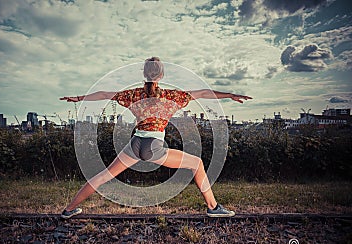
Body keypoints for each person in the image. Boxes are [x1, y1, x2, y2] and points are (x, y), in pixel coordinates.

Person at [59, 57, 252, 219]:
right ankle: (213, 207)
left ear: (144, 74)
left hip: (135, 144)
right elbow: (202, 93)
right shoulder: (172, 96)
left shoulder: (133, 95)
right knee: (197, 164)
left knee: (103, 176)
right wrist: (229, 95)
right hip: (154, 147)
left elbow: (103, 93)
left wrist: (79, 98)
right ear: (161, 76)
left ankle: (68, 211)